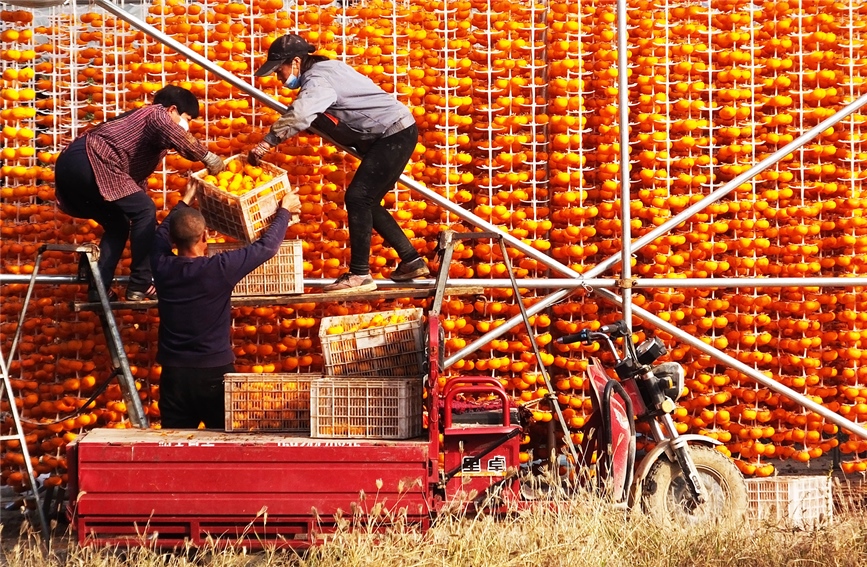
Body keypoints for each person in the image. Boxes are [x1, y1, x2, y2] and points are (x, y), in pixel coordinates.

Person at [248, 33, 429, 293]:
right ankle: (411, 260)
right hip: (395, 132)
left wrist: (268, 141)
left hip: (392, 134)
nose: (279, 77)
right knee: (366, 201)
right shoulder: (327, 70)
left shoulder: (318, 78)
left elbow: (301, 112)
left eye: (280, 70)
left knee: (357, 198)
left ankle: (359, 274)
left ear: (296, 62)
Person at [54, 85, 226, 302]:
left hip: (74, 169)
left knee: (119, 223)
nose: (187, 126)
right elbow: (172, 130)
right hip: (89, 160)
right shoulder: (155, 113)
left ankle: (99, 287)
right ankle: (141, 282)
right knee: (145, 209)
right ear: (172, 109)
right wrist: (207, 157)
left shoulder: (149, 139)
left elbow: (135, 181)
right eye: (187, 119)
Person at [151, 182, 300, 429]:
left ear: (174, 240)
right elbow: (266, 248)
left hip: (174, 373)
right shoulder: (219, 269)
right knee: (220, 442)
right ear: (205, 236)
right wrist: (283, 211)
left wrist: (184, 202)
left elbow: (159, 236)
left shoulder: (162, 265)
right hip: (214, 371)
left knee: (174, 444)